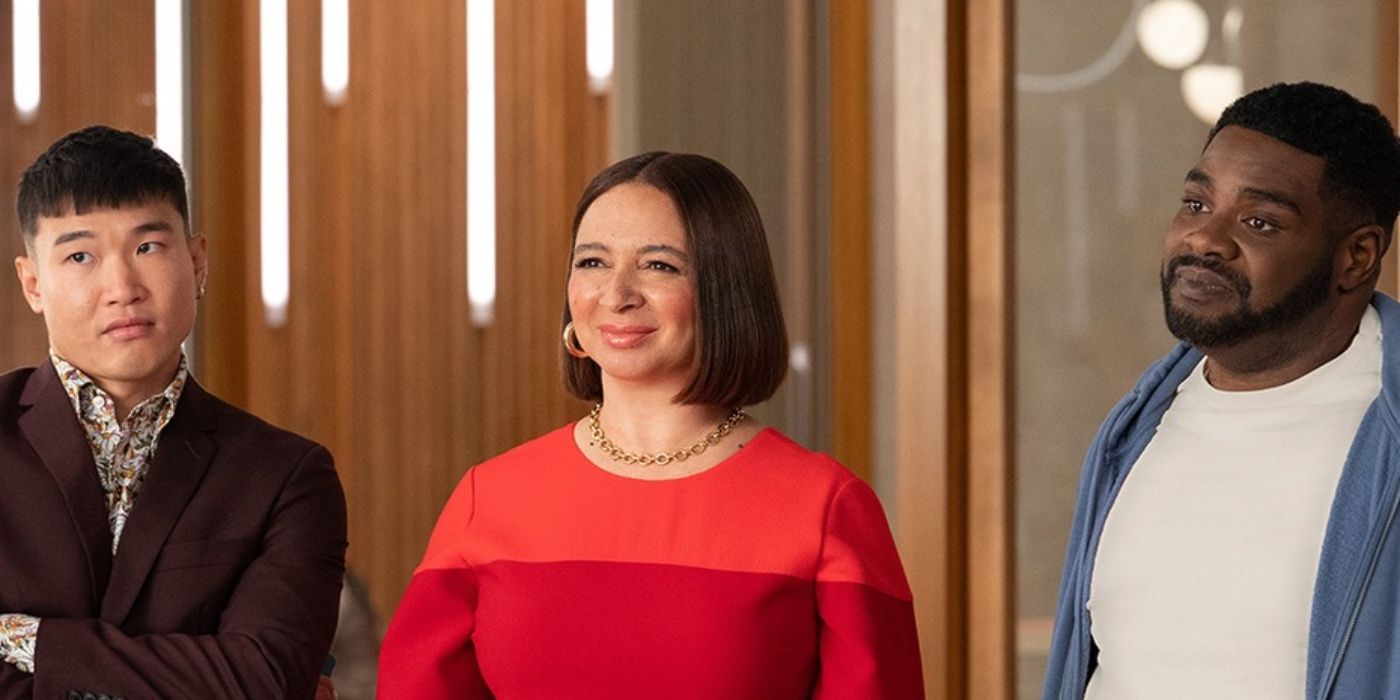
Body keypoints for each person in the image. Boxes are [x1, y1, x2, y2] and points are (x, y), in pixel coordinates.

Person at [377, 152, 923, 697]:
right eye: (592, 262)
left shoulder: (825, 508)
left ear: (726, 290)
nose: (616, 295)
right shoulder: (488, 497)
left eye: (659, 265)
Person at [1042, 82, 1400, 698]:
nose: (1205, 239)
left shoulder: (1387, 434)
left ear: (1356, 257)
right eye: (1197, 204)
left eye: (1258, 221)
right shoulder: (1131, 432)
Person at [0, 125, 347, 698]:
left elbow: (263, 679)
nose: (122, 287)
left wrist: (31, 641)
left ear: (197, 261)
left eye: (147, 247)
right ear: (33, 283)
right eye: (80, 255)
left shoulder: (286, 475)